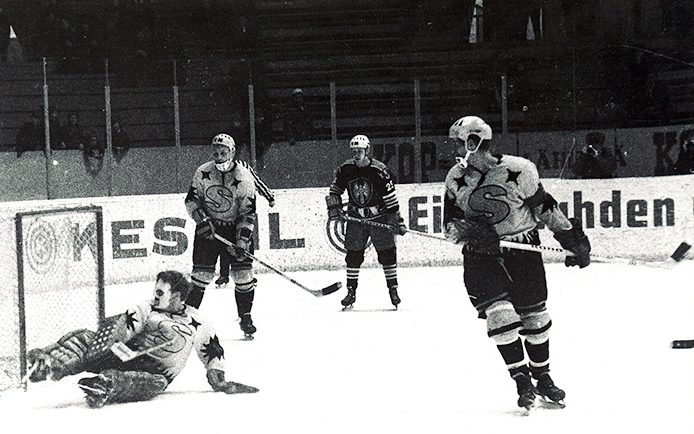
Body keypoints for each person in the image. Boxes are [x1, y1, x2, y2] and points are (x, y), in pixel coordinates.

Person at [443, 116, 591, 410]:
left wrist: (571, 239)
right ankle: (521, 379)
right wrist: (471, 232)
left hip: (523, 252)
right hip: (480, 257)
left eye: (459, 143)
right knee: (501, 317)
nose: (455, 149)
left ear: (473, 142)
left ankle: (543, 377)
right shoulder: (455, 178)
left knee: (536, 322)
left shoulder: (520, 169)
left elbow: (545, 208)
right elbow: (449, 226)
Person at [25, 270, 258, 408]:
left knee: (150, 383)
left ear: (177, 296)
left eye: (160, 293)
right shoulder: (146, 308)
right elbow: (127, 324)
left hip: (155, 373)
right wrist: (112, 344)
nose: (154, 296)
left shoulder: (198, 321)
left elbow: (213, 352)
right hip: (121, 356)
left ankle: (105, 385)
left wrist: (219, 380)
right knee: (85, 337)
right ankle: (50, 364)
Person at [184, 133, 260, 339]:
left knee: (243, 277)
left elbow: (248, 213)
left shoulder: (244, 177)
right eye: (216, 152)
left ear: (232, 152)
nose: (218, 156)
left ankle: (245, 317)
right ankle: (185, 320)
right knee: (201, 277)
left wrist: (242, 240)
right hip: (208, 230)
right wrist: (201, 221)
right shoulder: (203, 172)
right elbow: (191, 201)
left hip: (235, 230)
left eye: (223, 152)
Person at [325, 134, 407, 310]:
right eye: (354, 151)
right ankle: (351, 292)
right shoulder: (345, 169)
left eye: (359, 151)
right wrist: (335, 207)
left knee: (387, 254)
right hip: (356, 219)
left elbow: (391, 199)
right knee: (353, 256)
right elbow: (335, 190)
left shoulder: (379, 170)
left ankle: (393, 289)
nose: (356, 154)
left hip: (379, 217)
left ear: (367, 150)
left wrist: (397, 220)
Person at [215, 159, 275, 288]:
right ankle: (224, 275)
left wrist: (269, 197)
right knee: (226, 243)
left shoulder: (243, 167)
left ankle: (247, 273)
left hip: (244, 211)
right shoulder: (216, 169)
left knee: (245, 241)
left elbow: (256, 182)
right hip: (227, 212)